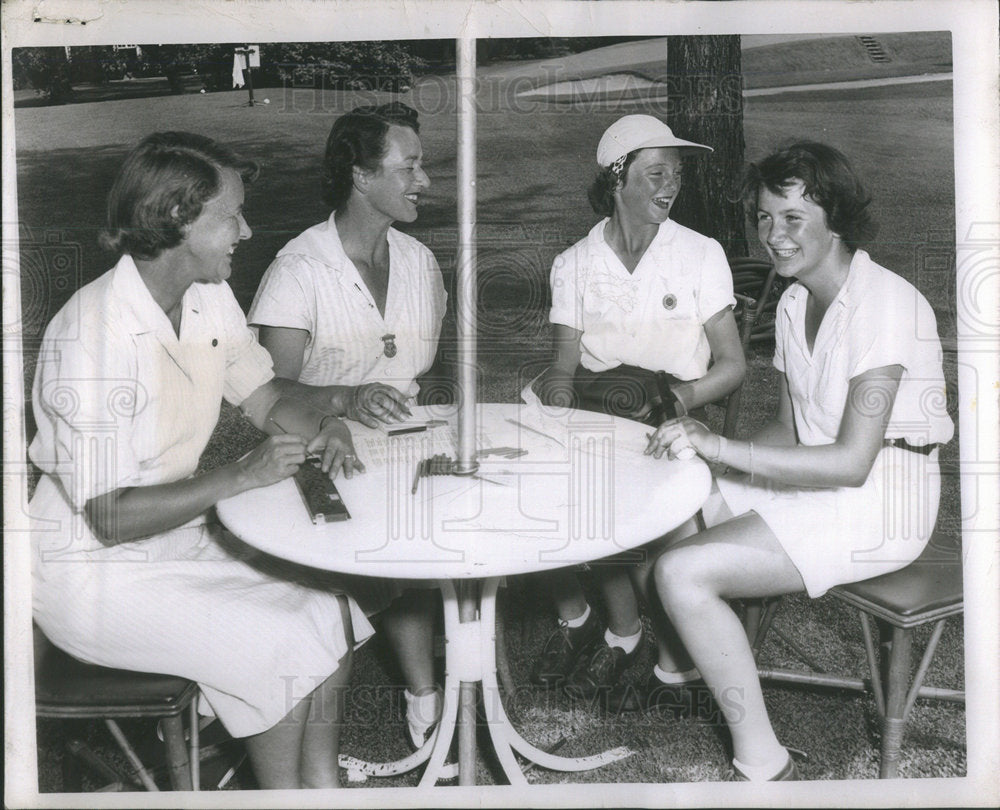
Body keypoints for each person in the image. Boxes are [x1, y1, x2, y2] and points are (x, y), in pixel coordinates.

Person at [30, 131, 372, 790]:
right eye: (231, 216)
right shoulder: (89, 335)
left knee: (327, 604)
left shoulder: (207, 293)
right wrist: (240, 476)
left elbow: (268, 395)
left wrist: (328, 421)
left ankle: (321, 791)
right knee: (275, 641)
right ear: (179, 222)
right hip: (88, 575)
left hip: (171, 537)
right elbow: (108, 515)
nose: (246, 230)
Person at [645, 141, 954, 780]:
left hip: (883, 500)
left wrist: (723, 448)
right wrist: (708, 464)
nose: (773, 236)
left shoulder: (885, 305)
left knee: (681, 572)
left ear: (834, 219)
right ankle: (686, 664)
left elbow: (851, 464)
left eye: (792, 218)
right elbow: (788, 429)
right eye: (764, 217)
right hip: (819, 477)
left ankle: (765, 762)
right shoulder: (791, 301)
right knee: (675, 499)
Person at [248, 102, 447, 749]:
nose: (425, 182)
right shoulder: (298, 269)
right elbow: (268, 393)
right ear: (362, 176)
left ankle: (478, 665)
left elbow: (419, 375)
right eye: (410, 166)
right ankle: (427, 700)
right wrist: (340, 409)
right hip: (312, 447)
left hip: (406, 443)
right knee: (386, 536)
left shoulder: (420, 264)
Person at [528, 115, 746, 702]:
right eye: (654, 174)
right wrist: (558, 413)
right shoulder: (575, 262)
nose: (669, 186)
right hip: (600, 410)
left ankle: (668, 653)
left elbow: (732, 364)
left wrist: (681, 400)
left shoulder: (700, 253)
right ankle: (610, 629)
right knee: (549, 480)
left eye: (675, 174)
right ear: (617, 180)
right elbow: (564, 367)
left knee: (623, 495)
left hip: (670, 410)